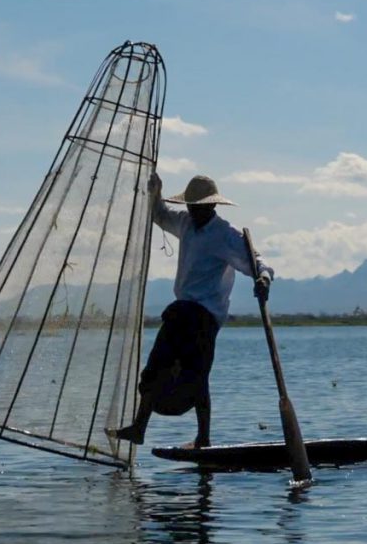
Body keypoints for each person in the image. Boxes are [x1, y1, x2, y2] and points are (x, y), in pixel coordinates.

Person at [108, 173, 273, 449]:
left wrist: (263, 278)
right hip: (181, 310)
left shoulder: (224, 234)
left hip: (205, 316)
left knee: (198, 377)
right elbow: (159, 215)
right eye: (191, 207)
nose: (193, 212)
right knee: (155, 368)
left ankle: (203, 438)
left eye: (198, 208)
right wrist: (156, 192)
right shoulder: (185, 223)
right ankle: (139, 427)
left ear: (211, 207)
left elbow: (256, 261)